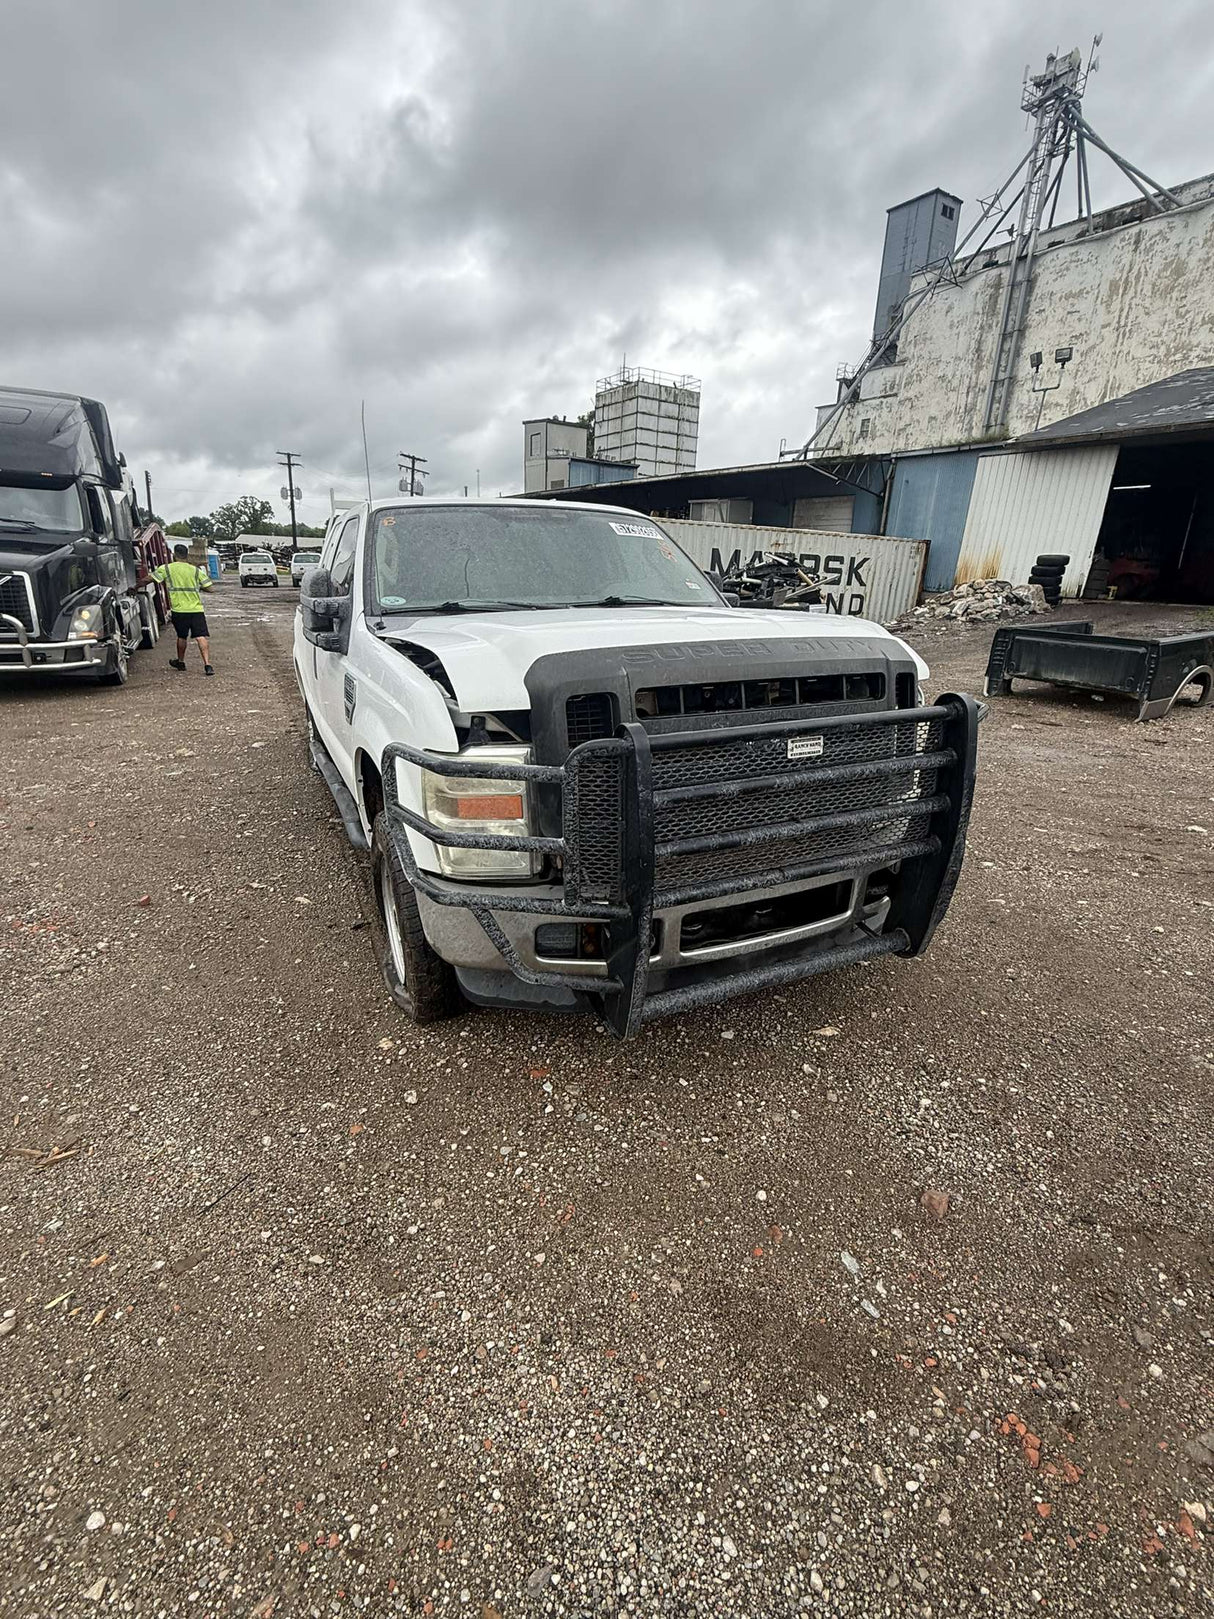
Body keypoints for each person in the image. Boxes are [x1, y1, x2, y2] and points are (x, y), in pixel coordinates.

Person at [152, 543, 215, 675]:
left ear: (174, 555)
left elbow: (151, 579)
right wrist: (197, 586)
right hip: (196, 610)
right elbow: (210, 588)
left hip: (179, 610)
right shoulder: (195, 570)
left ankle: (181, 662)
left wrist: (136, 586)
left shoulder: (167, 568)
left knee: (182, 637)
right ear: (187, 555)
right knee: (201, 636)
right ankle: (207, 665)